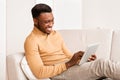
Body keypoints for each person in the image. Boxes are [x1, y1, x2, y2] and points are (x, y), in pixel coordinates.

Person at [24, 3, 120, 80]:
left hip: (70, 68)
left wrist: (82, 58)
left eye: (52, 21)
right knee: (102, 64)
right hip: (58, 74)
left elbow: (68, 56)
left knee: (108, 74)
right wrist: (69, 64)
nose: (51, 24)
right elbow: (39, 72)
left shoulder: (55, 34)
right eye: (46, 22)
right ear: (35, 21)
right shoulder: (31, 41)